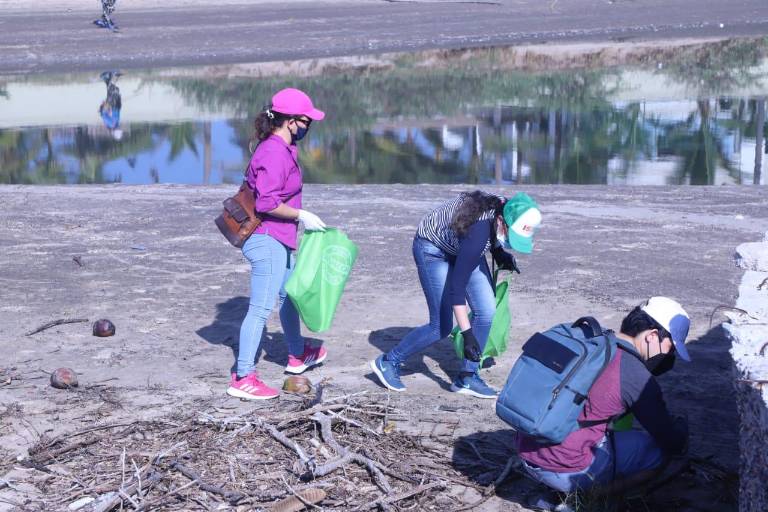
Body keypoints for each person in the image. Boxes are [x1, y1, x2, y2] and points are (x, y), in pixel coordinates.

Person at [518, 297, 691, 509]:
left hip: (526, 454)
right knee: (657, 452)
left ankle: (551, 490)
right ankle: (582, 498)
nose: (669, 356)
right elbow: (669, 440)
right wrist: (682, 430)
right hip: (567, 470)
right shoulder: (636, 376)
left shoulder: (592, 342)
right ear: (652, 336)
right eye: (671, 348)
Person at [370, 191, 542, 399]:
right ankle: (388, 361)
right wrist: (467, 335)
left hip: (462, 243)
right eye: (511, 235)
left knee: (487, 310)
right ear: (501, 220)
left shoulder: (507, 208)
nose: (511, 241)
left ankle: (468, 377)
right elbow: (457, 288)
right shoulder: (479, 232)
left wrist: (499, 253)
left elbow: (491, 235)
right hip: (433, 248)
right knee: (440, 326)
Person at [226, 88, 328, 401]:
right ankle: (243, 376)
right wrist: (302, 215)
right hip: (265, 238)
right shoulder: (273, 152)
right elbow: (267, 203)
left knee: (288, 296)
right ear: (290, 120)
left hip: (279, 237)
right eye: (306, 120)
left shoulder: (285, 147)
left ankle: (297, 355)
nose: (309, 126)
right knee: (260, 310)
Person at [98, 71, 123, 141]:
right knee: (114, 90)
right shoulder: (116, 124)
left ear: (115, 130)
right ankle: (107, 77)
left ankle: (109, 77)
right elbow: (116, 114)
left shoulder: (110, 124)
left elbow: (104, 115)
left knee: (113, 91)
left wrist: (105, 105)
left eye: (119, 130)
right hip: (116, 106)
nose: (120, 129)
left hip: (111, 105)